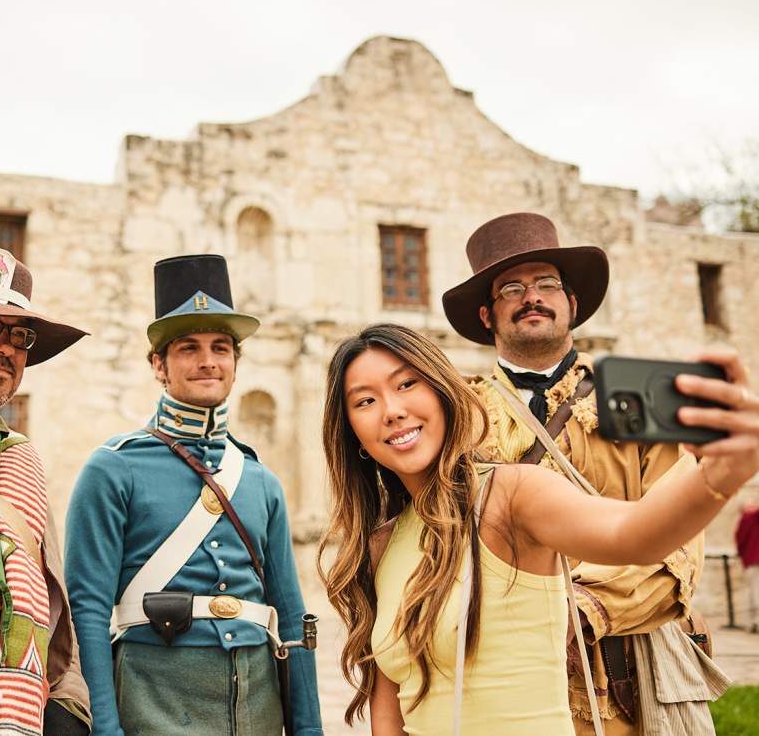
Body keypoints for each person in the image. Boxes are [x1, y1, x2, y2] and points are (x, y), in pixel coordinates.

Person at [317, 322, 758, 736]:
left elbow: (633, 534)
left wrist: (713, 475)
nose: (391, 410)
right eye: (365, 401)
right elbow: (389, 700)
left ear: (442, 393)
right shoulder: (381, 543)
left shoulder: (511, 496)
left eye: (406, 384)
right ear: (354, 433)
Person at [441, 211, 741, 734]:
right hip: (500, 665)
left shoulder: (639, 397)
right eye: (511, 288)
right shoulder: (457, 415)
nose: (531, 297)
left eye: (546, 284)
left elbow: (678, 545)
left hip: (627, 675)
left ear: (572, 304)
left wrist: (583, 608)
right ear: (488, 315)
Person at [65, 254, 323, 736]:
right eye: (188, 347)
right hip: (153, 700)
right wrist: (105, 726)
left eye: (220, 347)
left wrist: (308, 729)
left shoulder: (260, 479)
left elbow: (290, 615)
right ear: (158, 364)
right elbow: (88, 610)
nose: (208, 361)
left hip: (258, 706)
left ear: (235, 362)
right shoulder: (113, 467)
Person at [0, 245, 91, 734]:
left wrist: (66, 713)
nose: (5, 347)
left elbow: (51, 613)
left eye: (19, 335)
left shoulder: (18, 459)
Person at [736, 500, 759, 633]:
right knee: (756, 592)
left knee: (753, 591)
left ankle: (753, 622)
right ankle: (755, 622)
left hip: (750, 562)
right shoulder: (751, 517)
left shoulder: (743, 522)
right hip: (755, 561)